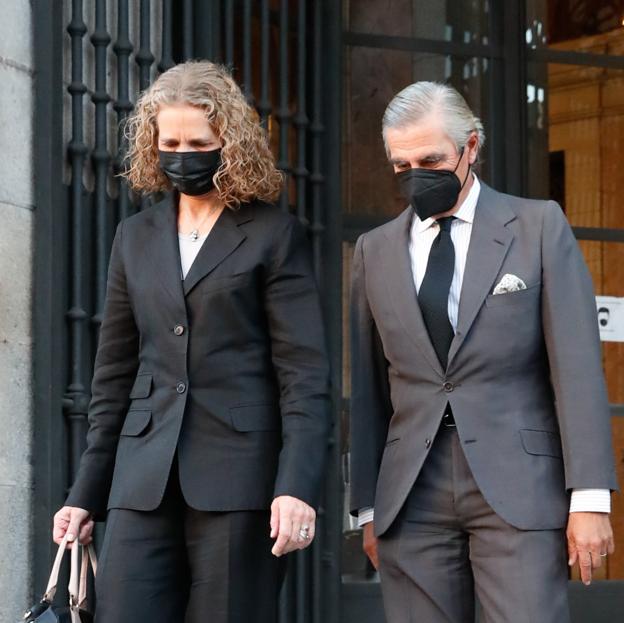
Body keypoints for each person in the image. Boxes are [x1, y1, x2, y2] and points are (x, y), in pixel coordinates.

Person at [52, 60, 330, 623]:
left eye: (197, 142)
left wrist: (296, 485)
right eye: (170, 141)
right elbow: (113, 375)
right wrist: (85, 492)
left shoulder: (276, 236)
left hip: (241, 481)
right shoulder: (135, 236)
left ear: (229, 142)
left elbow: (303, 374)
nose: (182, 153)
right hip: (142, 477)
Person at [349, 81, 617, 622]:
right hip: (411, 493)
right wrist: (368, 509)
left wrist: (589, 497)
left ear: (471, 147)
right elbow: (369, 388)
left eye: (430, 159)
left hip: (518, 487)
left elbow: (578, 371)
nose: (415, 174)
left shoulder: (539, 228)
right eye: (401, 166)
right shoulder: (373, 251)